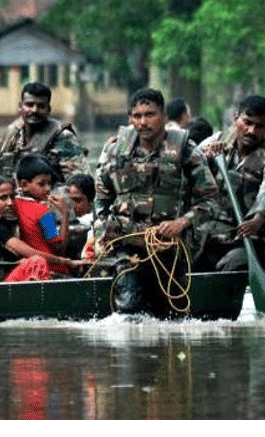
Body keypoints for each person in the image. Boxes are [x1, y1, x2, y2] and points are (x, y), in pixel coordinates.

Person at [93, 88, 218, 317]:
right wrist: (104, 234)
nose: (143, 122)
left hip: (169, 245)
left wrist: (182, 222)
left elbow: (210, 200)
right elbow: (101, 199)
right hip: (125, 246)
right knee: (129, 307)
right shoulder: (114, 150)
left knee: (173, 314)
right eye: (137, 116)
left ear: (163, 116)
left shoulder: (185, 150)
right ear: (130, 118)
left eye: (150, 115)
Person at [194, 95, 265, 274]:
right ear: (235, 118)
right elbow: (183, 170)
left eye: (259, 126)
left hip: (245, 242)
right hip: (208, 238)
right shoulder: (215, 142)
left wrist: (258, 218)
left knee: (233, 265)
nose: (252, 131)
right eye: (247, 122)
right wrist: (204, 159)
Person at [0, 82, 90, 186]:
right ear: (20, 107)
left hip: (51, 197)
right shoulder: (11, 134)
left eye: (41, 106)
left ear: (48, 110)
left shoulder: (63, 136)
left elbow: (80, 184)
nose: (34, 110)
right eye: (29, 105)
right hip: (14, 197)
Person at [13, 154, 89, 277]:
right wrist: (65, 214)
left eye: (49, 183)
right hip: (51, 269)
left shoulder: (14, 204)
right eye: (41, 184)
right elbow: (60, 249)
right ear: (24, 184)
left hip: (28, 268)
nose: (48, 189)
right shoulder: (44, 212)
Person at [64, 173, 95, 259]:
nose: (72, 205)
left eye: (77, 200)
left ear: (90, 200)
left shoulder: (94, 221)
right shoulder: (52, 216)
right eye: (68, 200)